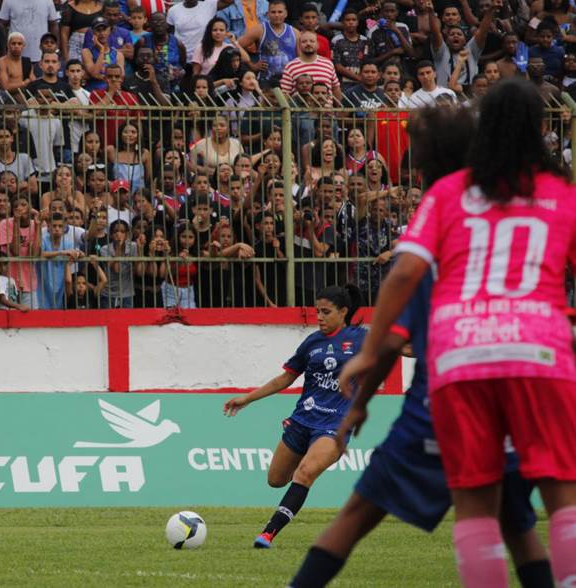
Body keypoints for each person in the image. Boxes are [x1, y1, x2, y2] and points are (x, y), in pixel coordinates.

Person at [288, 105, 555, 588]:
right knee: (521, 523)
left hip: (450, 386)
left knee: (360, 514)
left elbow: (400, 307)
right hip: (528, 371)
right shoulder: (531, 199)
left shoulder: (445, 210)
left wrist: (364, 387)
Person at [223, 284, 366, 549]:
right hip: (302, 420)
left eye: (326, 312)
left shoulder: (361, 339)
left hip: (335, 424)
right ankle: (304, 448)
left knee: (305, 473)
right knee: (276, 480)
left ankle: (268, 533)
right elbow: (286, 378)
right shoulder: (312, 342)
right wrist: (247, 398)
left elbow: (403, 347)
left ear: (343, 312)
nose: (319, 317)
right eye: (317, 312)